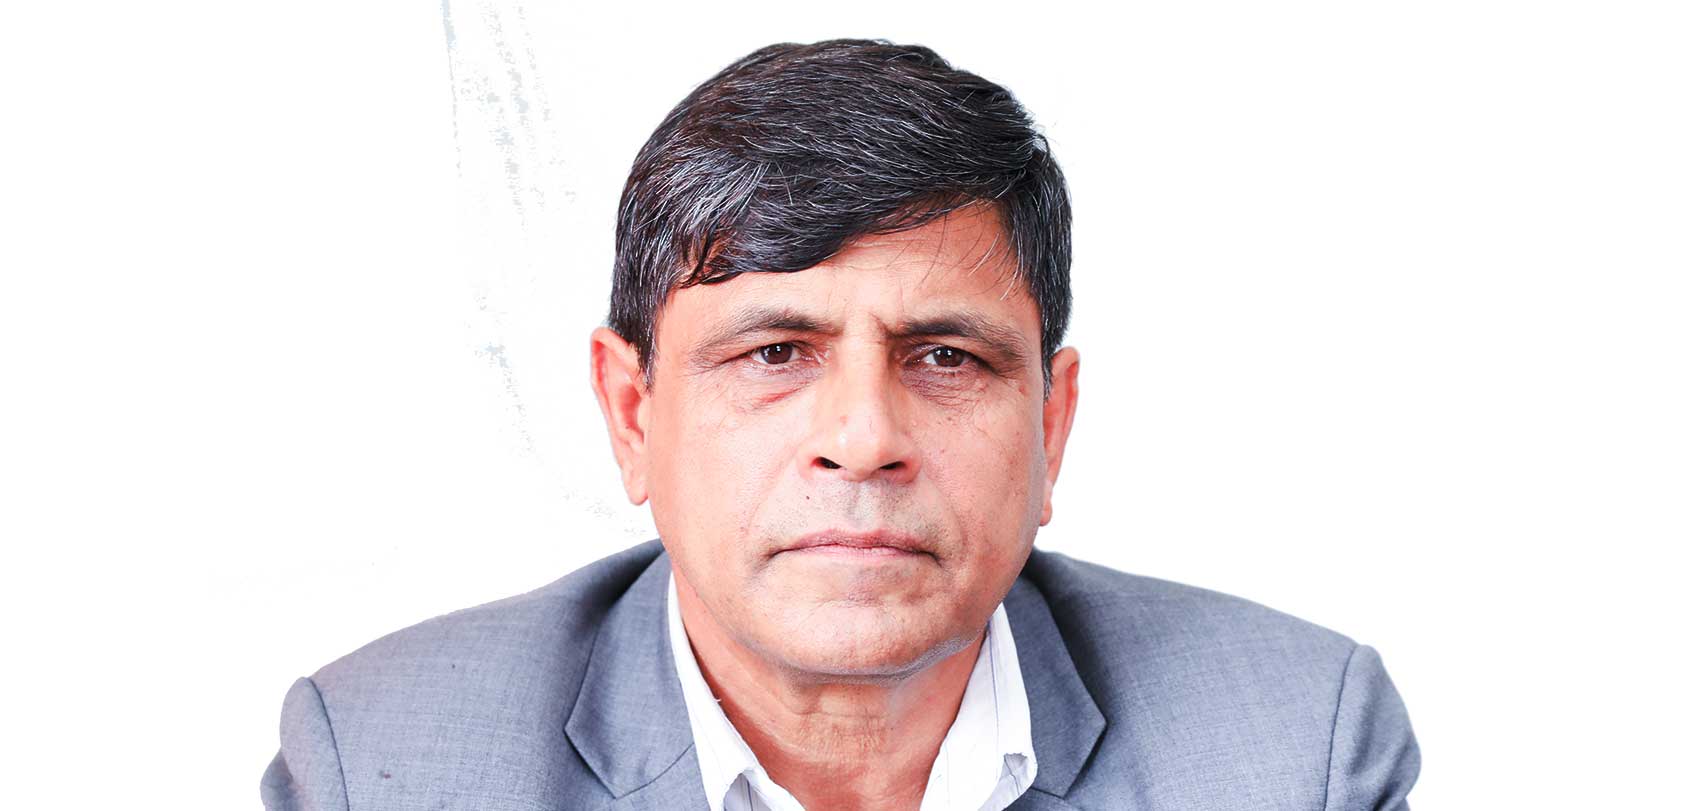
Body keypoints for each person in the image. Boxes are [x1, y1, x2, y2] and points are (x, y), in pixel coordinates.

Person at [262, 38, 1420, 811]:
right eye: (775, 353)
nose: (863, 438)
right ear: (631, 411)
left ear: (1050, 424)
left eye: (945, 356)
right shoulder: (383, 764)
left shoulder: (1294, 751)